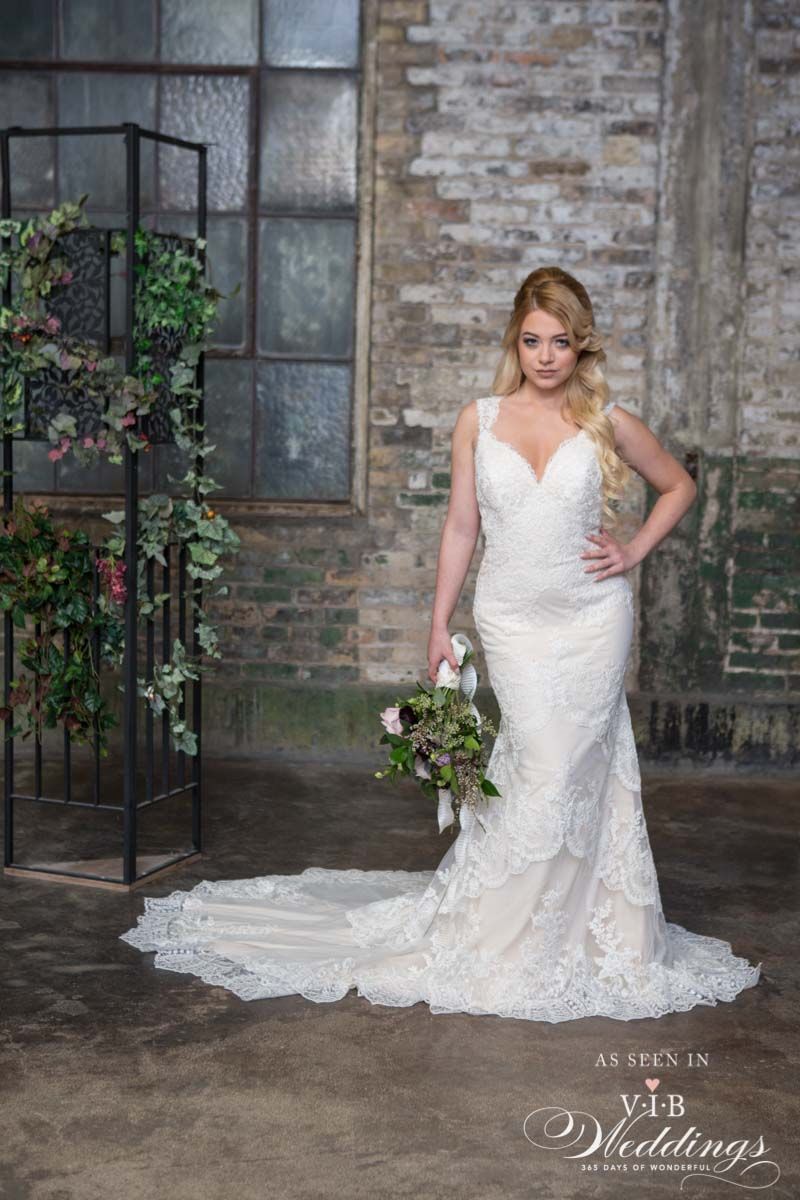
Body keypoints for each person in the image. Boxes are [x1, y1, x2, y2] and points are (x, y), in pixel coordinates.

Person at [120, 266, 762, 1021]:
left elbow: (679, 485)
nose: (546, 356)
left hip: (592, 619)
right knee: (541, 766)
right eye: (532, 341)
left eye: (560, 341)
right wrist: (437, 623)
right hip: (514, 621)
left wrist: (632, 552)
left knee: (576, 771)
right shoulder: (479, 419)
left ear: (580, 346)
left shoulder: (607, 419)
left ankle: (581, 938)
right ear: (514, 342)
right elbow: (461, 525)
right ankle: (497, 933)